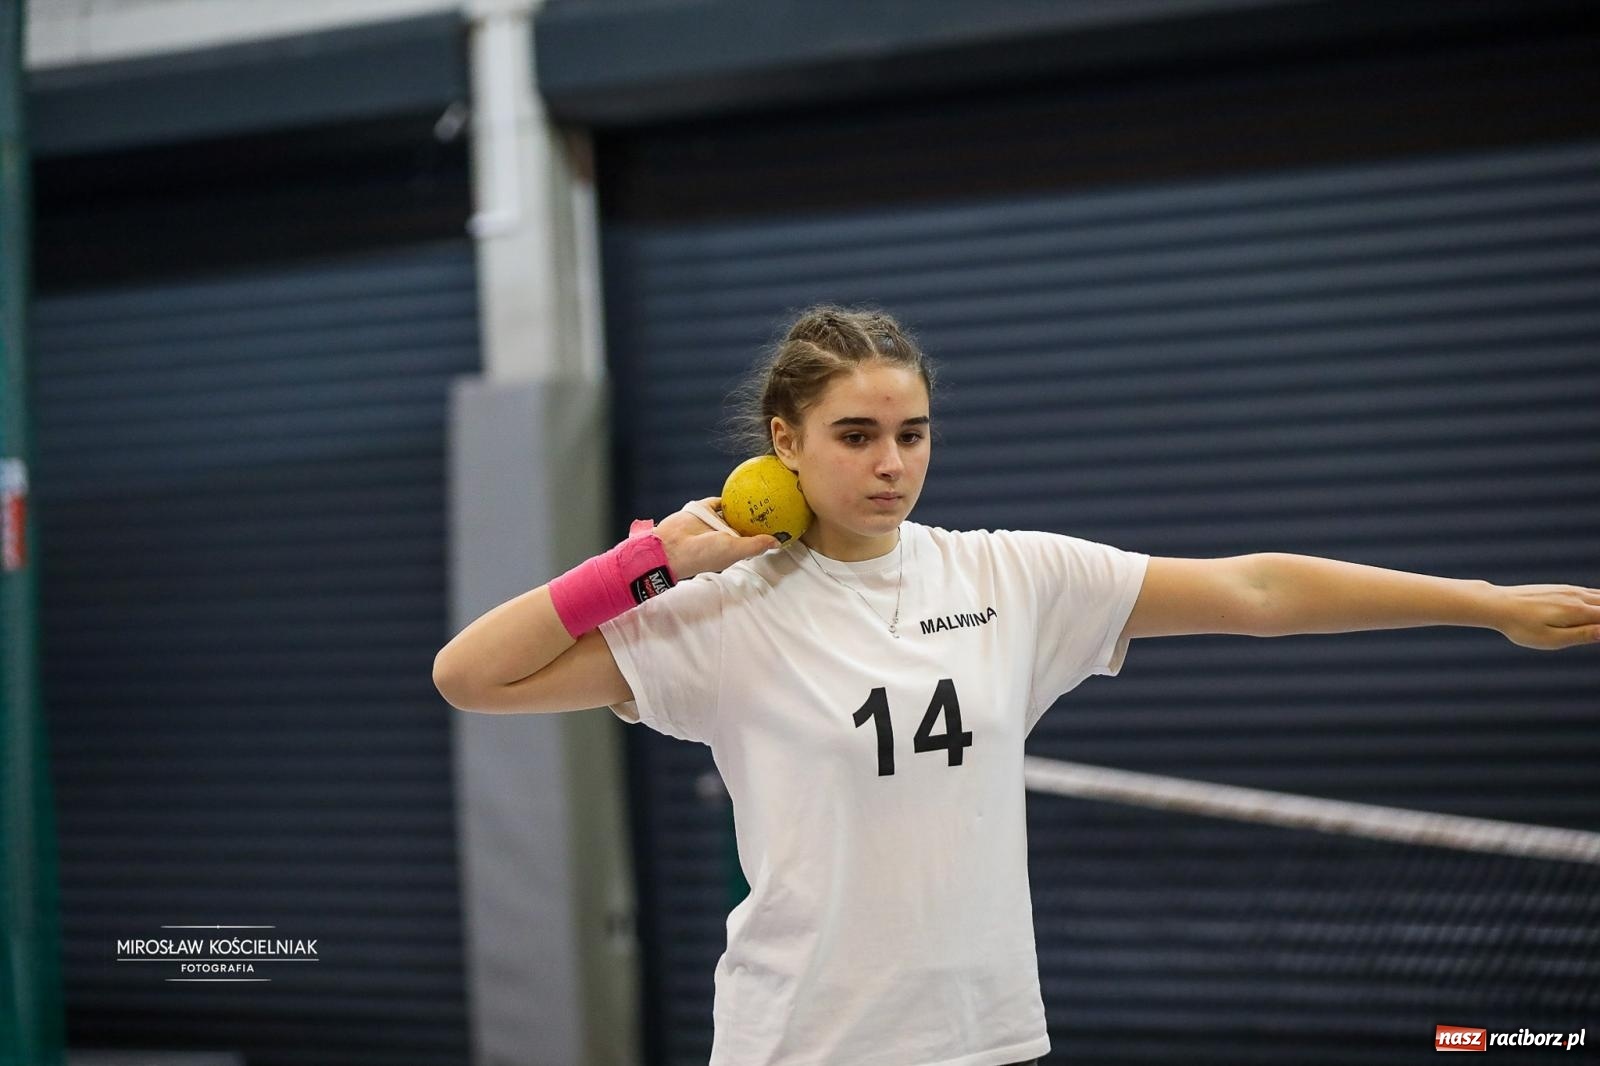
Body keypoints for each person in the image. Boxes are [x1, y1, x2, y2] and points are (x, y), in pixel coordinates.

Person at [432, 306, 1600, 1066]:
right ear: (781, 443)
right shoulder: (720, 616)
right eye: (854, 435)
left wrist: (1483, 600)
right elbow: (473, 676)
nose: (890, 463)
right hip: (803, 1044)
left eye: (912, 432)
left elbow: (1253, 592)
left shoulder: (1012, 575)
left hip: (988, 1036)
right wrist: (648, 564)